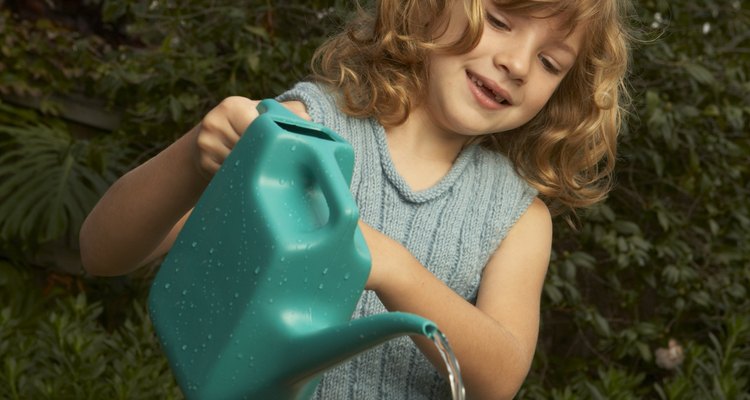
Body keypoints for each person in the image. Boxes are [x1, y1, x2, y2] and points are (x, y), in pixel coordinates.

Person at [80, 0, 632, 398]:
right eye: (500, 20)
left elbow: (499, 378)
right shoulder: (305, 136)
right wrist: (190, 160)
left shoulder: (517, 219)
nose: (517, 63)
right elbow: (102, 253)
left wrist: (394, 268)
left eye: (550, 63)